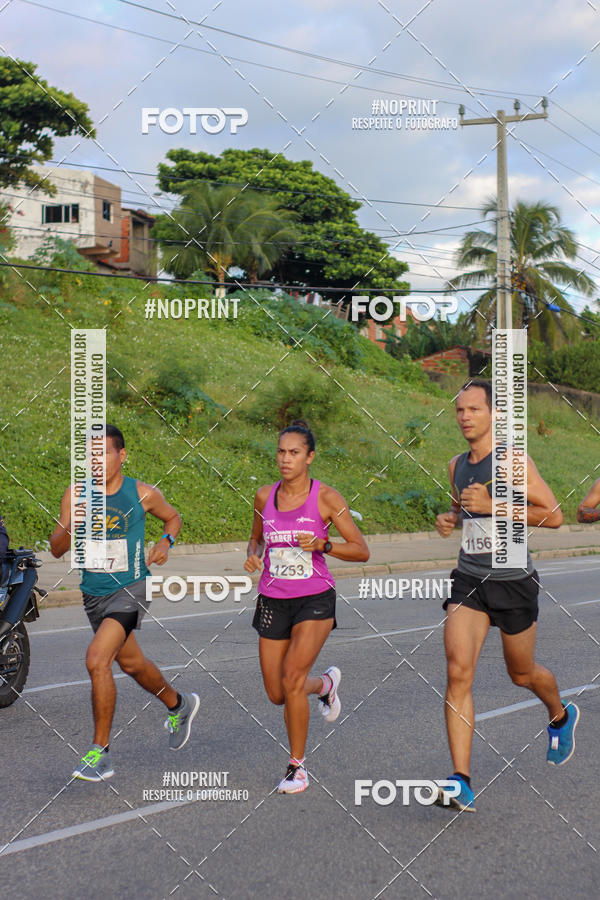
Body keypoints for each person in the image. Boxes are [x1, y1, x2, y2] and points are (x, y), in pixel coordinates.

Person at [434, 381, 579, 813]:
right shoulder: (455, 465)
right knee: (458, 671)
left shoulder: (514, 461)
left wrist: (496, 504)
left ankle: (560, 714)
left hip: (514, 581)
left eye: (474, 409)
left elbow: (553, 516)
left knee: (522, 673)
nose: (465, 417)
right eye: (460, 410)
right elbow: (466, 507)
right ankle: (461, 780)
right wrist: (451, 517)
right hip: (471, 580)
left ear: (494, 414)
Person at [50, 425, 199, 782]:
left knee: (96, 659)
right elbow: (56, 547)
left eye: (103, 453)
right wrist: (74, 525)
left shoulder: (142, 493)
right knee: (131, 664)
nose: (95, 461)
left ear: (122, 455)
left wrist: (165, 543)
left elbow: (173, 517)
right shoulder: (75, 495)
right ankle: (179, 703)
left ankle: (100, 753)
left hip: (132, 588)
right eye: (90, 455)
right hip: (94, 594)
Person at [244, 420, 369, 794]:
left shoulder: (327, 498)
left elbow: (361, 550)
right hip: (273, 599)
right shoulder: (264, 496)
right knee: (277, 692)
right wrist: (252, 556)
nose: (285, 459)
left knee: (292, 679)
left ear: (310, 457)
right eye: (281, 452)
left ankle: (296, 767)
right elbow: (255, 540)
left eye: (294, 452)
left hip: (315, 598)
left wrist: (323, 545)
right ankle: (326, 684)